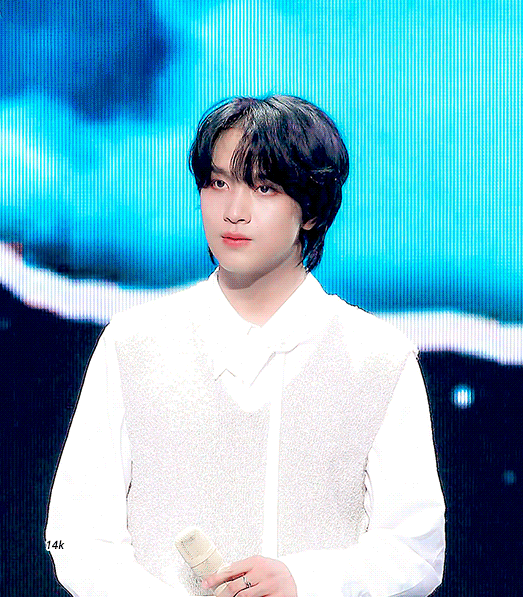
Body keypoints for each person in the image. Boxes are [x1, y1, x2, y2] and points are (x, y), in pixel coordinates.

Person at [45, 95, 445, 597]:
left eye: (264, 188)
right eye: (218, 183)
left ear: (312, 210)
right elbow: (78, 535)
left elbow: (415, 551)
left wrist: (304, 581)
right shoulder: (133, 344)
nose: (234, 212)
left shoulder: (377, 359)